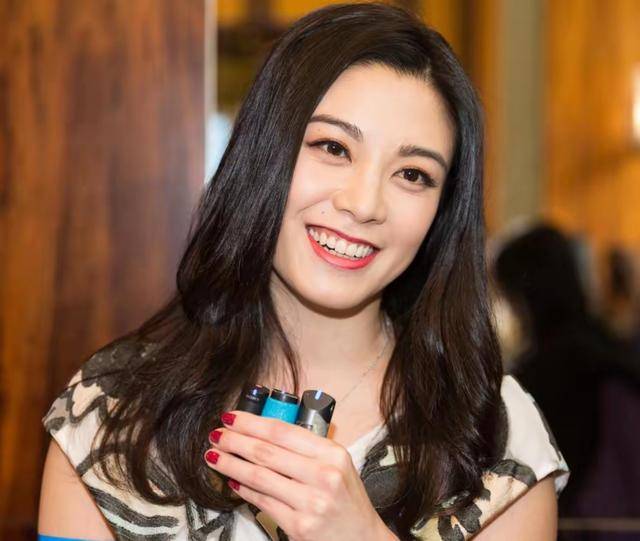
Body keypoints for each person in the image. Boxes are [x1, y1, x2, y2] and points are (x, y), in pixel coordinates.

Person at [38, 3, 569, 540]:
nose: (363, 204)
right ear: (264, 153)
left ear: (442, 210)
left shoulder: (494, 436)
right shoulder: (110, 411)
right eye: (333, 147)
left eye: (412, 174)